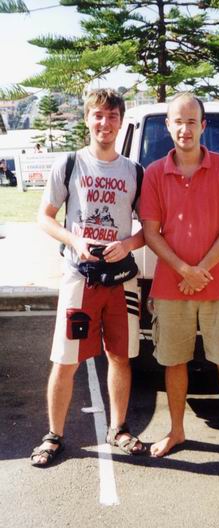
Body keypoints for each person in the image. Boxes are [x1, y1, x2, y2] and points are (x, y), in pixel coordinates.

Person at [140, 92, 219, 464]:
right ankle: (176, 431)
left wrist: (200, 270)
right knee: (174, 363)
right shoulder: (155, 173)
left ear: (203, 126)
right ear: (168, 127)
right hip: (171, 287)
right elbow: (151, 231)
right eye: (178, 120)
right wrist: (184, 271)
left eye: (192, 121)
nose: (185, 128)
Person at [31, 88, 146, 467]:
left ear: (121, 121)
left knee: (120, 356)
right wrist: (74, 240)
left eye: (112, 116)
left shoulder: (134, 171)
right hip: (79, 277)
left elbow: (150, 228)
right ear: (87, 119)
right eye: (98, 115)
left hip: (121, 279)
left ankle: (120, 428)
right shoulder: (70, 164)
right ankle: (54, 436)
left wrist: (128, 243)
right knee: (65, 360)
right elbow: (45, 216)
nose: (105, 123)